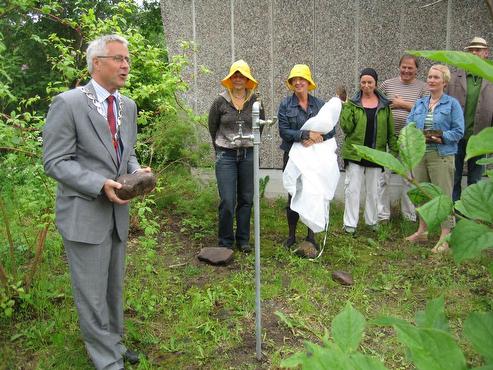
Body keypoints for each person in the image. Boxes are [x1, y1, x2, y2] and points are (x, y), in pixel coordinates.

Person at [43, 34, 151, 369]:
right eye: (119, 58)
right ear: (96, 63)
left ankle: (113, 345)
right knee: (91, 293)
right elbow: (55, 161)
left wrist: (136, 172)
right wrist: (97, 183)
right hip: (84, 213)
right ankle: (106, 359)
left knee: (111, 288)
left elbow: (126, 152)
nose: (126, 65)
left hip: (117, 214)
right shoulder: (68, 103)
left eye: (128, 59)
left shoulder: (127, 105)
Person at [405, 64, 464, 253]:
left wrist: (442, 137)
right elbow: (409, 123)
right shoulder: (420, 103)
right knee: (422, 194)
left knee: (442, 197)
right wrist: (414, 134)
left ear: (444, 82)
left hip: (442, 155)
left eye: (436, 78)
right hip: (421, 154)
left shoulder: (452, 104)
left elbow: (458, 131)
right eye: (429, 77)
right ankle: (422, 231)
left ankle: (445, 238)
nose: (431, 80)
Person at [208, 60, 263, 253]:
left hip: (248, 155)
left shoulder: (256, 101)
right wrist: (220, 149)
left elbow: (259, 128)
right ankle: (225, 242)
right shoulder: (220, 101)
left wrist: (251, 147)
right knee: (228, 200)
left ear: (248, 79)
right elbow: (212, 127)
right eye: (235, 75)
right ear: (230, 79)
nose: (238, 79)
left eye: (242, 76)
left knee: (247, 198)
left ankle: (243, 240)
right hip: (226, 156)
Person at [278, 64, 336, 249]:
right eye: (294, 79)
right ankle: (291, 236)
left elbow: (331, 129)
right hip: (293, 158)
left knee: (313, 193)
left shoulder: (320, 105)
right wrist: (305, 135)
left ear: (308, 82)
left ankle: (311, 237)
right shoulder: (285, 105)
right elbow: (284, 131)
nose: (298, 82)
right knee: (293, 193)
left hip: (314, 157)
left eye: (301, 79)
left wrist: (316, 138)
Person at [340, 68, 398, 234]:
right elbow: (346, 128)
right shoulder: (352, 103)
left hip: (376, 154)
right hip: (355, 154)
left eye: (370, 82)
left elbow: (390, 131)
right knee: (353, 190)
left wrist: (393, 153)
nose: (366, 85)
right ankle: (350, 225)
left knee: (374, 192)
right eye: (363, 82)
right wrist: (345, 107)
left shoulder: (384, 106)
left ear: (375, 84)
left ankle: (372, 222)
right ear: (360, 83)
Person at [378, 54, 428, 222]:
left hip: (411, 141)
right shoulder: (387, 85)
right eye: (404, 67)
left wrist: (402, 105)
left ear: (416, 70)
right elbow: (376, 104)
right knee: (383, 177)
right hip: (388, 138)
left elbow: (426, 112)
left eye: (410, 68)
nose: (406, 70)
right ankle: (382, 215)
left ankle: (409, 216)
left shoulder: (423, 88)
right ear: (399, 67)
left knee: (409, 179)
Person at [447, 37, 493, 201]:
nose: (474, 52)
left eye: (478, 50)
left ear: (486, 53)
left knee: (475, 181)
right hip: (455, 137)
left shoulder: (491, 78)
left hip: (480, 138)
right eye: (471, 50)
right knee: (454, 178)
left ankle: (471, 216)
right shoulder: (453, 78)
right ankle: (453, 215)